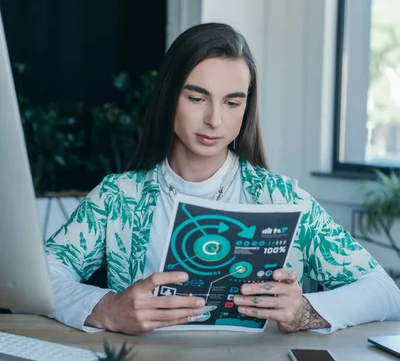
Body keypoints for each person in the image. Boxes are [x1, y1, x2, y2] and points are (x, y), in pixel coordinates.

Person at [45, 23, 400, 334]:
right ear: (169, 97)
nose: (215, 120)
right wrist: (108, 308)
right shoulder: (118, 198)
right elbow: (35, 281)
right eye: (197, 98)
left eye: (232, 103)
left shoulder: (284, 200)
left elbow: (384, 291)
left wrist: (305, 312)